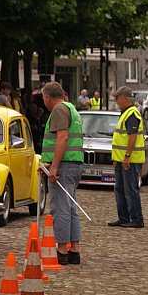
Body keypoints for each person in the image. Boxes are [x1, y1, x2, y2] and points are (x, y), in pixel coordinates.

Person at [41, 81, 83, 265]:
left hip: (63, 166)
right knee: (71, 207)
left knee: (61, 208)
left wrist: (54, 167)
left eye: (43, 98)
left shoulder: (58, 110)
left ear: (48, 97)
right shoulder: (72, 108)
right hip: (74, 163)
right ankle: (74, 249)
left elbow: (62, 137)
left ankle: (61, 251)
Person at [107, 86, 145, 229]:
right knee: (120, 189)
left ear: (125, 98)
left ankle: (136, 219)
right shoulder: (125, 113)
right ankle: (123, 218)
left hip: (130, 160)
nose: (116, 101)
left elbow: (132, 137)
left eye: (117, 98)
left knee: (130, 190)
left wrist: (127, 157)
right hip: (121, 160)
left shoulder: (132, 114)